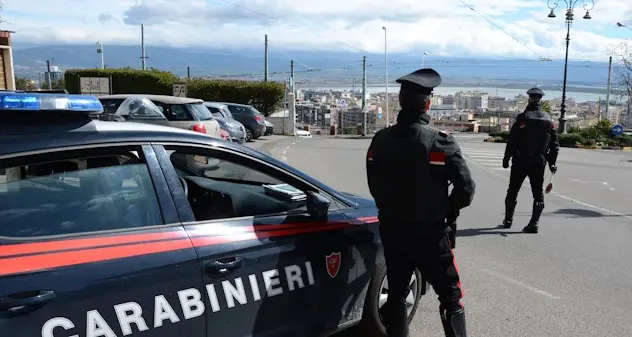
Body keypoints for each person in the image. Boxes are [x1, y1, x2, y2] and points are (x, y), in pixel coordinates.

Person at [366, 68, 476, 337]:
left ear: (401, 101)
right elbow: (466, 189)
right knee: (450, 295)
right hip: (431, 233)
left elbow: (374, 184)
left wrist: (390, 209)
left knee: (397, 294)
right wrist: (448, 210)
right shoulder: (441, 143)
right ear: (428, 104)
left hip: (393, 230)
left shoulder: (381, 140)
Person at [501, 87, 560, 233]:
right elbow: (555, 145)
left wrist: (506, 158)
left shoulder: (523, 118)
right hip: (539, 161)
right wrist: (552, 163)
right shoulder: (548, 120)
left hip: (521, 160)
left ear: (530, 99)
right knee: (538, 193)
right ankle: (534, 223)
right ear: (540, 100)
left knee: (513, 190)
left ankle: (508, 220)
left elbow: (512, 141)